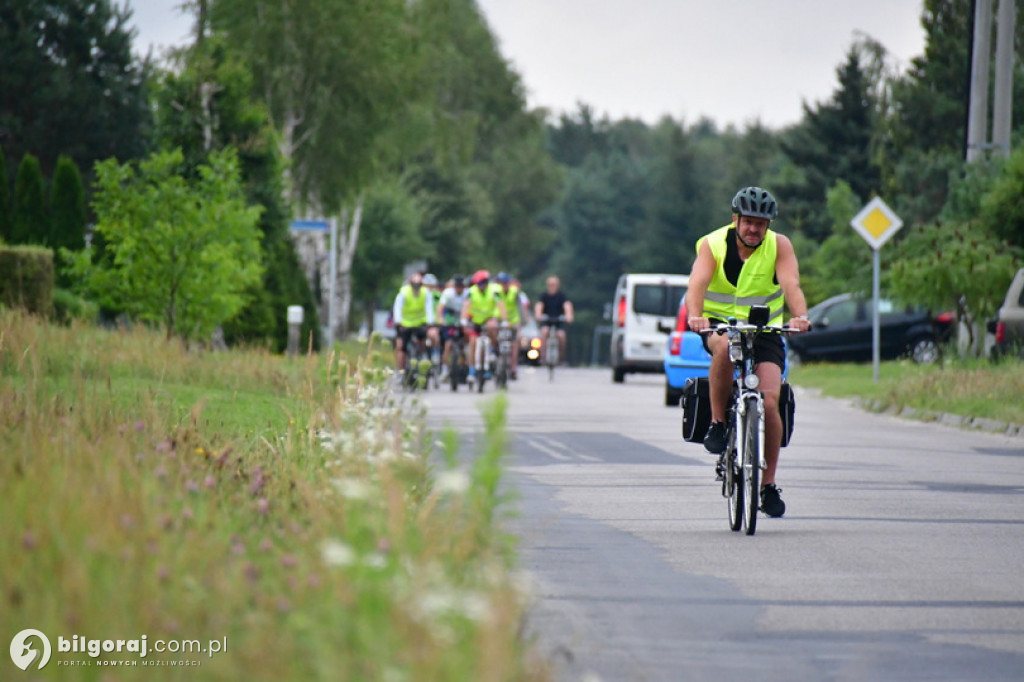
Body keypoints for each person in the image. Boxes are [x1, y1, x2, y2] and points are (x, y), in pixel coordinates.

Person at [684, 186, 811, 518]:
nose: (754, 229)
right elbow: (696, 284)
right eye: (748, 222)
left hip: (766, 330)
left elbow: (791, 284)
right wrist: (696, 317)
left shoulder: (779, 245)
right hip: (718, 324)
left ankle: (767, 485)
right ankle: (716, 422)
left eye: (761, 223)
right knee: (725, 347)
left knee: (769, 400)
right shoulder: (712, 244)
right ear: (736, 219)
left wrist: (800, 316)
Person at [460, 270, 506, 381]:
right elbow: (466, 306)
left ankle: (493, 349)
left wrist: (504, 320)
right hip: (476, 321)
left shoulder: (493, 291)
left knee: (491, 327)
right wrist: (463, 319)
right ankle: (471, 369)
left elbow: (500, 305)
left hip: (489, 319)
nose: (481, 286)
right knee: (473, 342)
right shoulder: (472, 292)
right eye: (479, 284)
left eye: (483, 283)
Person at [392, 272, 438, 373]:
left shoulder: (426, 293)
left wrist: (430, 322)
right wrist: (398, 322)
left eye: (418, 285)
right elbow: (398, 307)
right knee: (401, 348)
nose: (416, 288)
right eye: (414, 285)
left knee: (424, 342)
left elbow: (429, 308)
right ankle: (400, 371)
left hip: (420, 323)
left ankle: (424, 358)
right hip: (405, 324)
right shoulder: (404, 292)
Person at [495, 272, 529, 380]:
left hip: (513, 320)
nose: (504, 285)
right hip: (499, 319)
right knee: (494, 337)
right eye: (502, 283)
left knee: (515, 342)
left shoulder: (515, 292)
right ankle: (494, 358)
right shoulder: (495, 291)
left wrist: (522, 321)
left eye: (506, 283)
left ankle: (513, 368)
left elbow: (520, 307)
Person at [534, 275, 574, 363]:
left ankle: (561, 357)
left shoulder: (562, 296)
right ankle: (543, 356)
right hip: (546, 320)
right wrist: (538, 315)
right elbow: (539, 306)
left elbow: (567, 305)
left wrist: (569, 315)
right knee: (544, 332)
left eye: (554, 285)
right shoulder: (544, 296)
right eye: (550, 285)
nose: (552, 287)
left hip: (558, 321)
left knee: (561, 335)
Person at [436, 274, 469, 379]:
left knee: (467, 339)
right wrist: (440, 319)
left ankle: (466, 363)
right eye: (457, 286)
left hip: (463, 318)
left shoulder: (468, 293)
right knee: (448, 343)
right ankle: (445, 369)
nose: (459, 288)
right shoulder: (448, 293)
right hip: (450, 318)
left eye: (461, 286)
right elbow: (440, 307)